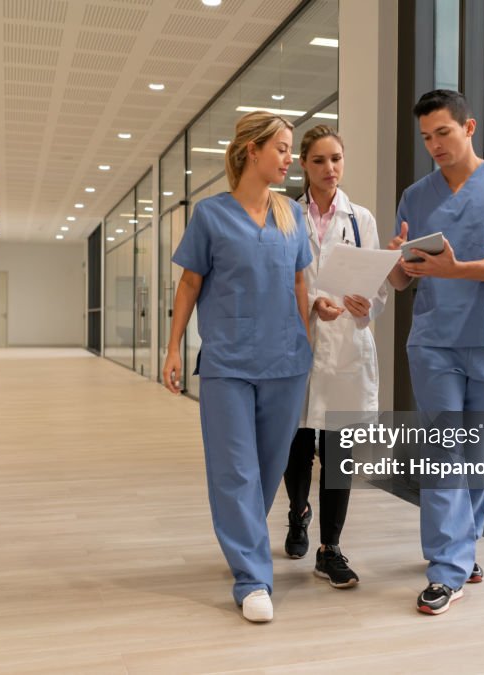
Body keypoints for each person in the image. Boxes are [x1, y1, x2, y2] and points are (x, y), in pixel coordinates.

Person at [385, 90, 484, 615]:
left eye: (443, 133)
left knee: (480, 455)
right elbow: (404, 282)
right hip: (433, 341)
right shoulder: (415, 196)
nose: (434, 145)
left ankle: (463, 543)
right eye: (426, 137)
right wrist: (394, 264)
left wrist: (458, 270)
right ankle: (447, 567)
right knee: (443, 451)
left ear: (469, 127)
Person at [162, 110, 313, 623]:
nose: (289, 158)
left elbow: (300, 286)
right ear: (253, 150)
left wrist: (307, 340)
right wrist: (173, 348)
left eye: (290, 149)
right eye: (282, 148)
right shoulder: (210, 215)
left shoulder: (292, 214)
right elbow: (189, 285)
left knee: (266, 472)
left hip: (287, 362)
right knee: (235, 471)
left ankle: (244, 543)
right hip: (228, 362)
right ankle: (252, 578)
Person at [282, 125, 388, 589]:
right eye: (321, 160)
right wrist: (311, 305)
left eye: (338, 159)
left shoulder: (360, 218)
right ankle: (297, 512)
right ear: (304, 164)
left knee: (339, 452)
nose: (331, 169)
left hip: (346, 344)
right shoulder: (285, 215)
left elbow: (378, 284)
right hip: (299, 342)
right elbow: (280, 277)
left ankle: (331, 548)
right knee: (298, 447)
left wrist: (367, 307)